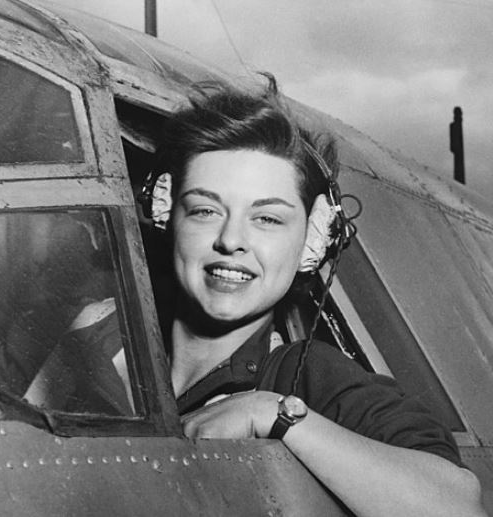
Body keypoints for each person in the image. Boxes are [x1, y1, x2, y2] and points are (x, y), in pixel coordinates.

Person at [142, 77, 485, 517]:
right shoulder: (96, 336)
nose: (231, 240)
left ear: (313, 239)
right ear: (167, 215)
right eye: (206, 210)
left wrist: (273, 414)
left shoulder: (307, 377)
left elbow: (458, 505)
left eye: (267, 218)